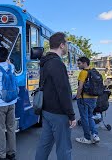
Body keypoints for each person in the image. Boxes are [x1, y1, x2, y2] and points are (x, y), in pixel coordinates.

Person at [35, 32, 76, 160]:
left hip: (46, 111)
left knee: (44, 145)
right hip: (59, 113)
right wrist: (71, 115)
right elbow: (63, 91)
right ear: (62, 45)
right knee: (64, 148)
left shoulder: (45, 62)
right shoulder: (57, 63)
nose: (67, 47)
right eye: (67, 44)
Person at [0, 47, 17, 160]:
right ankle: (12, 153)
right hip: (12, 101)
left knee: (0, 129)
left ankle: (1, 155)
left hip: (0, 103)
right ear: (7, 57)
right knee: (11, 127)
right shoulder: (12, 67)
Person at [75, 57, 100, 144]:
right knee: (90, 117)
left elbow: (80, 87)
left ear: (84, 63)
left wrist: (77, 96)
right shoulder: (94, 71)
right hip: (94, 98)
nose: (78, 65)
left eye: (79, 63)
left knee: (84, 118)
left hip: (84, 98)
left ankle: (87, 138)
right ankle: (95, 135)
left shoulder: (83, 72)